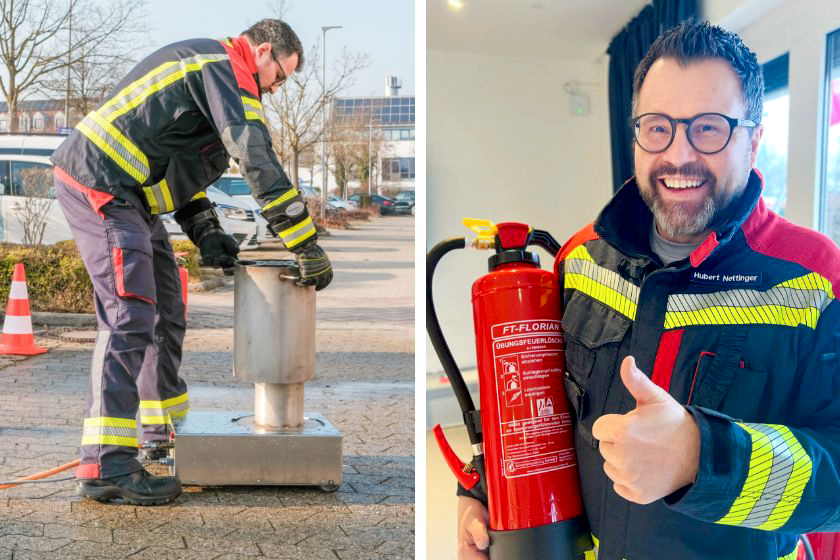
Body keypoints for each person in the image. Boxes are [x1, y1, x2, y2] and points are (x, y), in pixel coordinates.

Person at [458, 20, 840, 559]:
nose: (678, 154)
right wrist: (481, 489)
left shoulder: (815, 276)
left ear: (754, 140)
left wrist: (701, 458)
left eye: (708, 128)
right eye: (657, 127)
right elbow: (533, 402)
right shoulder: (581, 256)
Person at [51, 18, 333, 505]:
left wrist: (206, 230)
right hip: (101, 184)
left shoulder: (211, 77)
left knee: (165, 314)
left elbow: (176, 167)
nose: (276, 90)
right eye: (279, 78)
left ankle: (158, 441)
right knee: (129, 313)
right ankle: (105, 462)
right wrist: (304, 243)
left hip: (131, 197)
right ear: (261, 51)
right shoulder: (223, 66)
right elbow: (255, 157)